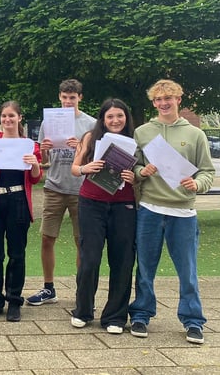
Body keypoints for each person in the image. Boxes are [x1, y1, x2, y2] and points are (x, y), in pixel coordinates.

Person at [128, 79, 215, 344]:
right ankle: (141, 314)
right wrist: (142, 172)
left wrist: (197, 183)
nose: (163, 103)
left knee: (187, 270)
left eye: (169, 98)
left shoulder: (195, 135)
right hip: (150, 209)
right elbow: (131, 169)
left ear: (179, 98)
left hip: (183, 212)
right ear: (153, 102)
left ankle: (193, 321)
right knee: (144, 267)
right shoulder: (142, 132)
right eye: (158, 99)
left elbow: (207, 171)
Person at [69, 99, 137, 334]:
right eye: (110, 117)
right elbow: (75, 168)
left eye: (120, 115)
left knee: (122, 260)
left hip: (123, 205)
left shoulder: (136, 141)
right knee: (90, 259)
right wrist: (85, 169)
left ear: (126, 117)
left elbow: (142, 172)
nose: (115, 120)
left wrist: (134, 177)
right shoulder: (90, 137)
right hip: (92, 204)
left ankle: (115, 316)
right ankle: (83, 310)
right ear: (103, 119)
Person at [27, 78, 96, 306]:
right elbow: (44, 160)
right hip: (54, 186)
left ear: (80, 98)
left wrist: (81, 148)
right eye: (65, 97)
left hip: (81, 189)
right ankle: (49, 288)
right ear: (59, 97)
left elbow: (96, 159)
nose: (68, 102)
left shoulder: (91, 124)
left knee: (81, 241)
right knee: (47, 237)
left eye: (72, 98)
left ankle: (81, 290)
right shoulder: (50, 121)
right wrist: (44, 151)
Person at [0, 101, 42, 322]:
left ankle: (14, 300)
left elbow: (35, 178)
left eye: (11, 116)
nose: (7, 120)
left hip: (18, 199)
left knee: (17, 253)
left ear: (20, 118)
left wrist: (34, 163)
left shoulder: (29, 145)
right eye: (4, 116)